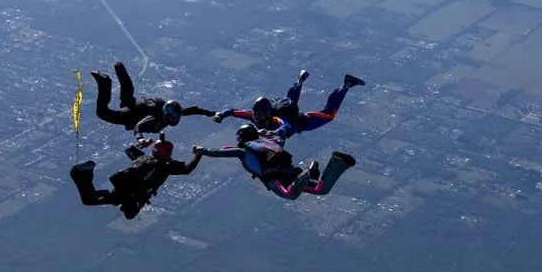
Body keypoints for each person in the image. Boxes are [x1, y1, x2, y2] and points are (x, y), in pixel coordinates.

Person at [197, 125, 357, 201]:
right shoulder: (269, 143)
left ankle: (308, 173)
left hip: (275, 179)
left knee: (290, 194)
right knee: (320, 190)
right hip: (290, 171)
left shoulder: (243, 151)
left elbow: (216, 153)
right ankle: (338, 162)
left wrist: (201, 150)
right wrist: (271, 132)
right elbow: (282, 136)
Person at [70, 136, 203, 219]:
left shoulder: (144, 158)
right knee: (129, 213)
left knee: (91, 199)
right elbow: (187, 169)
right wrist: (198, 155)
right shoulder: (166, 166)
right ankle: (82, 174)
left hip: (122, 186)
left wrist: (142, 143)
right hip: (131, 193)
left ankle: (82, 174)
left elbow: (129, 150)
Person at [214, 69, 364, 139]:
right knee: (289, 102)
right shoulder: (254, 116)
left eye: (259, 115)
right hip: (288, 113)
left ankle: (346, 85)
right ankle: (298, 81)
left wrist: (274, 132)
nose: (257, 118)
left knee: (329, 114)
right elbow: (234, 112)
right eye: (256, 114)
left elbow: (287, 126)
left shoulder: (275, 120)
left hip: (305, 121)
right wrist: (222, 114)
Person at [91, 62, 221, 135]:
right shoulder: (153, 117)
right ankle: (105, 83)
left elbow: (193, 110)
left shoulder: (171, 111)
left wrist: (212, 113)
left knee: (127, 96)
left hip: (138, 105)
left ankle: (118, 69)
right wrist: (140, 138)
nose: (175, 120)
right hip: (130, 114)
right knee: (102, 112)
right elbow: (138, 127)